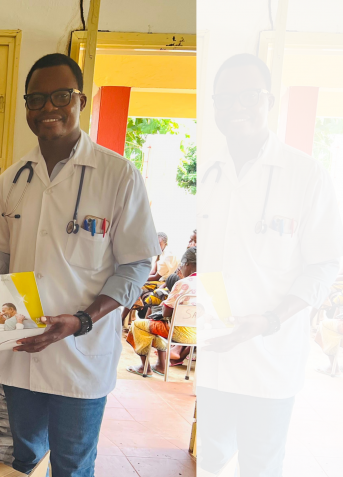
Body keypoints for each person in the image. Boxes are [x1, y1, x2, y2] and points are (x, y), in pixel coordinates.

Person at [0, 53, 160, 475]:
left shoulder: (119, 176)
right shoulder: (13, 179)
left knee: (73, 465)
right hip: (21, 351)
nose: (48, 108)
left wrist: (82, 320)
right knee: (24, 459)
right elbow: (2, 253)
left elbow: (135, 266)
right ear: (26, 106)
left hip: (81, 352)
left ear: (81, 101)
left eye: (61, 96)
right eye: (37, 99)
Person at [196, 53, 342, 477]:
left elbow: (324, 265)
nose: (236, 107)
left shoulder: (306, 175)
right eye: (226, 98)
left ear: (269, 100)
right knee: (210, 458)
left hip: (270, 357)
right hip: (212, 353)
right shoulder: (208, 171)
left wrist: (270, 320)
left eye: (249, 96)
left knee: (260, 465)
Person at [126, 247, 198, 377]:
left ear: (186, 263)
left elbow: (166, 312)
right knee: (155, 324)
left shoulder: (183, 283)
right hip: (199, 335)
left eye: (181, 265)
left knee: (139, 325)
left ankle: (145, 367)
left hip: (178, 333)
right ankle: (160, 366)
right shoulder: (212, 284)